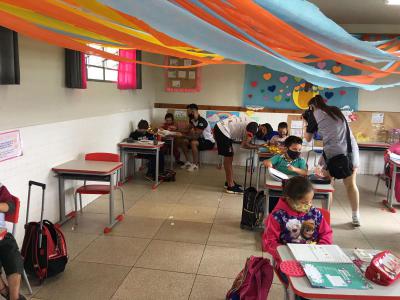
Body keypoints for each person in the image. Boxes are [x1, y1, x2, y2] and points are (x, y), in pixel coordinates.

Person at [262, 176, 333, 298]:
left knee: (322, 285)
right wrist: (285, 254)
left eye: (311, 201)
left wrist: (321, 249)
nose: (309, 205)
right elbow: (269, 242)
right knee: (302, 289)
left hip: (313, 259)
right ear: (290, 199)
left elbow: (326, 233)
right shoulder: (278, 216)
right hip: (289, 261)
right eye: (305, 203)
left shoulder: (314, 213)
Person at [303, 95, 361, 227]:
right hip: (351, 151)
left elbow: (307, 138)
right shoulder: (335, 110)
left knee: (328, 187)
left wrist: (307, 123)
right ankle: (355, 216)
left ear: (312, 106)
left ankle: (325, 216)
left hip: (333, 154)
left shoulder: (314, 114)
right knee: (351, 185)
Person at [214, 114, 260, 194]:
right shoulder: (254, 127)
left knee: (230, 157)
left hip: (222, 130)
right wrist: (258, 147)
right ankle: (230, 186)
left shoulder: (252, 124)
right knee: (228, 158)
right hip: (223, 130)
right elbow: (244, 145)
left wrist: (253, 145)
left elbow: (244, 142)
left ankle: (229, 181)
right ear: (263, 129)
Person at [0, 183, 26, 300]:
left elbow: (11, 206)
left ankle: (14, 297)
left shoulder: (0, 188)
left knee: (12, 255)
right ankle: (5, 291)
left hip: (2, 235)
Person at [178, 104, 215, 172]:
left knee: (193, 143)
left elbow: (195, 136)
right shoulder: (192, 120)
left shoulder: (202, 121)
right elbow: (187, 130)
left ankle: (195, 165)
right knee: (183, 141)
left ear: (193, 111)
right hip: (199, 140)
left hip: (208, 141)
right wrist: (176, 130)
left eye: (188, 111)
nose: (187, 113)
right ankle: (188, 162)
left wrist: (183, 135)